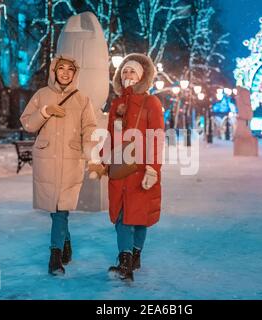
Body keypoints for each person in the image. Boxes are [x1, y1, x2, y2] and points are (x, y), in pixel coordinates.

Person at [20, 54, 104, 276]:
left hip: (70, 160)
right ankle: (64, 242)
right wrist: (45, 111)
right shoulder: (41, 95)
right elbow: (27, 123)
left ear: (75, 74)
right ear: (54, 71)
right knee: (55, 209)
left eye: (70, 69)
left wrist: (93, 158)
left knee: (61, 210)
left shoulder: (82, 100)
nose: (65, 72)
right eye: (61, 68)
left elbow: (90, 131)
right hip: (46, 160)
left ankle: (54, 257)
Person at [101, 53, 165, 281]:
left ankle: (134, 256)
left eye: (133, 71)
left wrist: (153, 169)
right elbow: (109, 136)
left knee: (139, 217)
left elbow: (156, 137)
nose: (128, 75)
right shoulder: (116, 104)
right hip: (119, 168)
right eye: (125, 71)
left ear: (142, 76)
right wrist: (102, 160)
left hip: (141, 169)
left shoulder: (152, 103)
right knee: (121, 217)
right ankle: (125, 261)